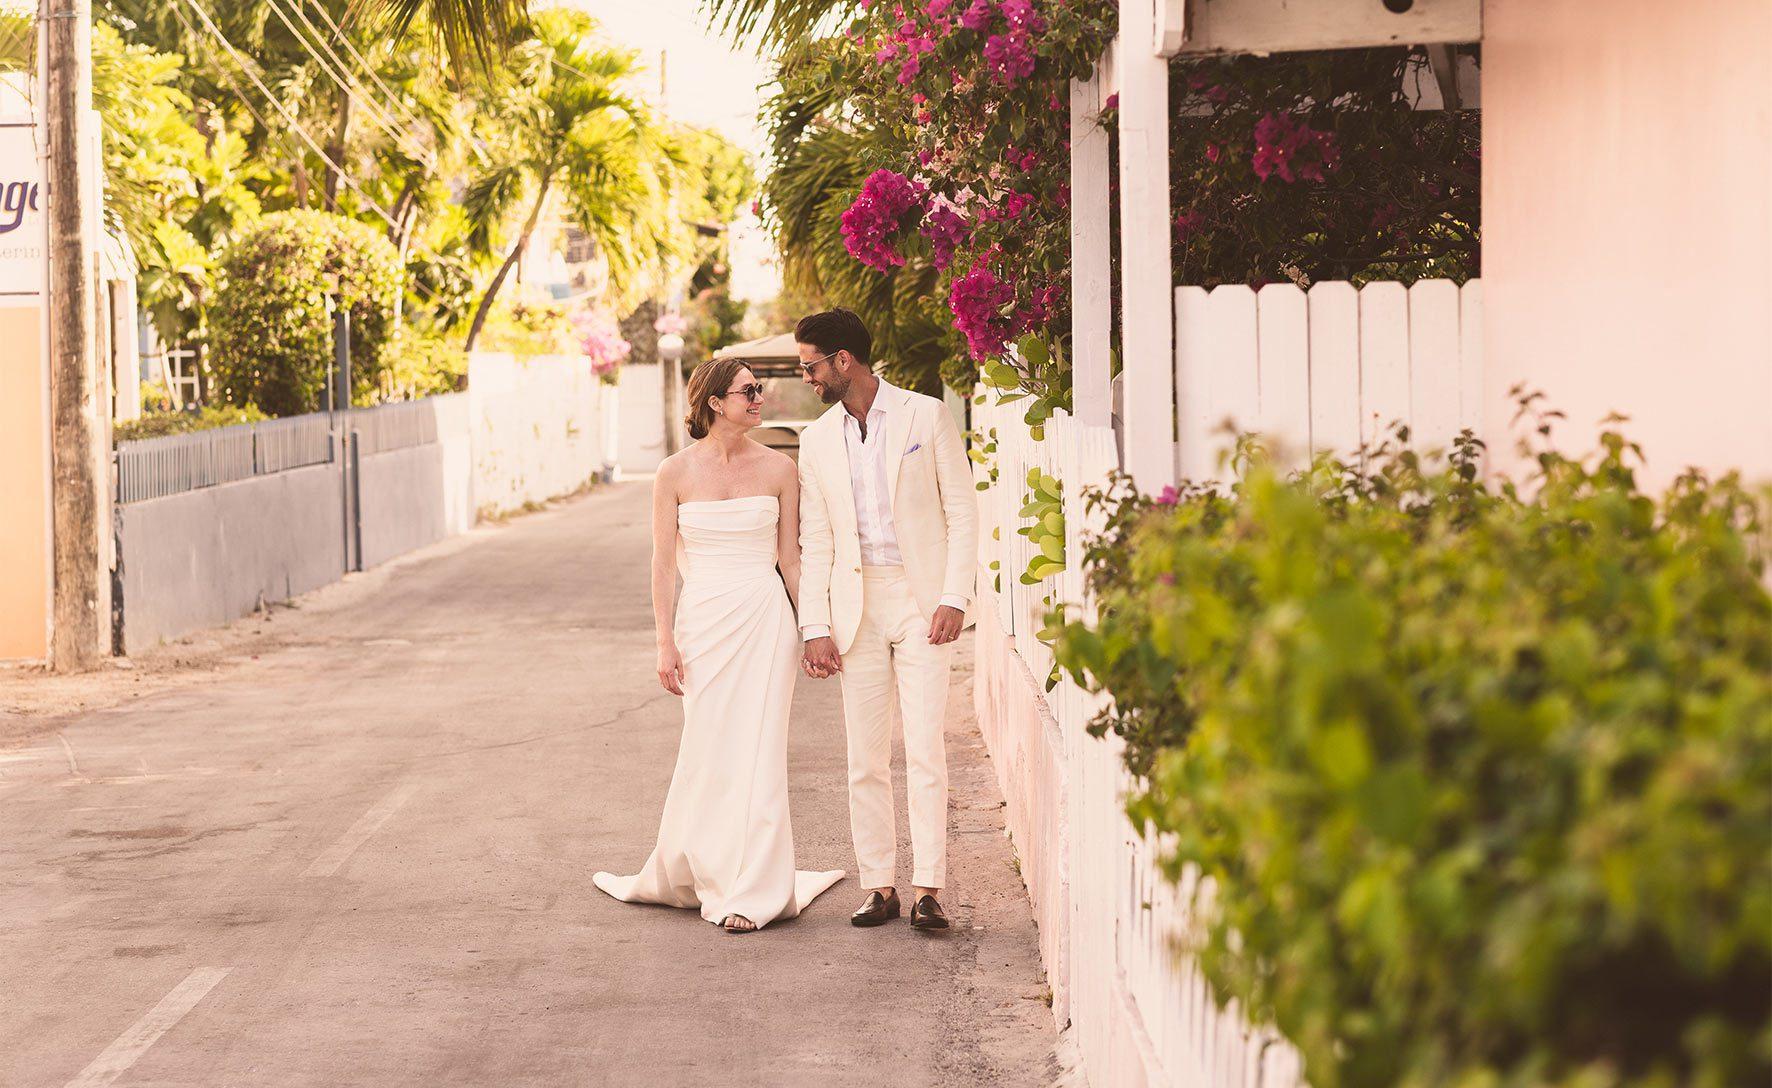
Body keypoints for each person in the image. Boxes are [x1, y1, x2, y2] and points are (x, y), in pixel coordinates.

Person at [593, 358, 844, 933]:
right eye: (748, 390)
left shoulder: (782, 468)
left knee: (759, 751)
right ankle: (701, 865)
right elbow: (662, 566)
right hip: (703, 623)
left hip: (765, 620)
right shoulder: (673, 474)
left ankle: (753, 889)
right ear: (713, 402)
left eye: (760, 388)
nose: (760, 398)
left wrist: (814, 627)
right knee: (709, 748)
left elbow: (791, 560)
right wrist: (663, 641)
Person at [794, 309, 978, 932]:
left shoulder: (924, 414)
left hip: (921, 599)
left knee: (926, 747)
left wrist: (955, 594)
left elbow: (963, 510)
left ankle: (928, 886)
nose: (806, 377)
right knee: (864, 756)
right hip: (855, 607)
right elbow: (816, 537)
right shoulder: (816, 439)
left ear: (844, 359)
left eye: (811, 365)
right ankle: (879, 884)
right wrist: (813, 624)